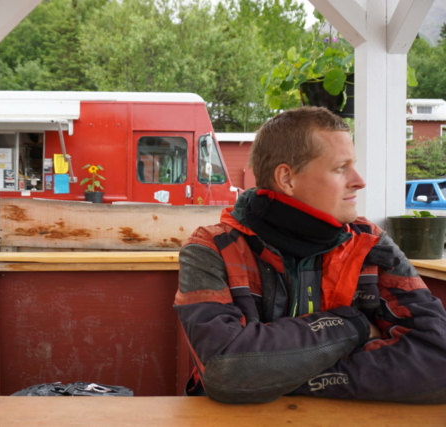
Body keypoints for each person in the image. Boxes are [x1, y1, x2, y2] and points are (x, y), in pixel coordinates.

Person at [174, 107, 446, 404]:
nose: (359, 180)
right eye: (341, 168)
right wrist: (353, 324)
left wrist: (275, 377)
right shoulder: (210, 249)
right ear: (287, 179)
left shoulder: (370, 243)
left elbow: (438, 357)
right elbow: (227, 371)